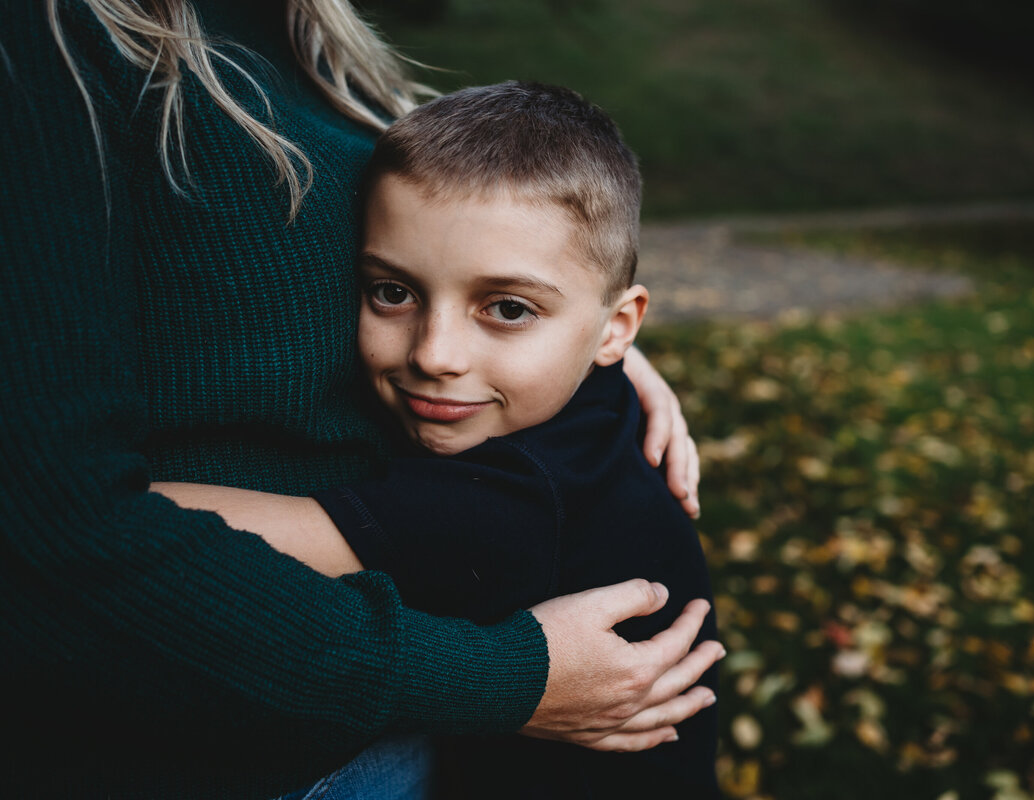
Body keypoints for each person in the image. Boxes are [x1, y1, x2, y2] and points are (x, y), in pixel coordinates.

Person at [0, 2, 722, 797]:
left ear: (618, 325)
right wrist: (565, 338)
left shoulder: (501, 501)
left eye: (509, 308)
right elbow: (57, 525)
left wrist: (594, 344)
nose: (436, 356)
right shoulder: (50, 38)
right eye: (388, 291)